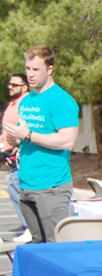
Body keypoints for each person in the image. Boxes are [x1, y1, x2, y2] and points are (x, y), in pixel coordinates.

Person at [2, 46, 79, 244]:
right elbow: (25, 135)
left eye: (36, 69)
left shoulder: (62, 100)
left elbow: (67, 141)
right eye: (28, 69)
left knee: (56, 246)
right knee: (37, 246)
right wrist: (13, 139)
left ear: (50, 69)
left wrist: (27, 135)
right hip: (26, 182)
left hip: (51, 185)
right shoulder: (27, 100)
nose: (30, 74)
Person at [0, 73, 31, 242]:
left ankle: (30, 227)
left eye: (14, 84)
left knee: (15, 188)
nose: (10, 86)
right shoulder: (13, 103)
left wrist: (18, 147)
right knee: (15, 188)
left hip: (21, 153)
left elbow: (26, 128)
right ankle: (29, 226)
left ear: (24, 87)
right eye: (9, 83)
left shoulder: (26, 103)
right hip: (11, 155)